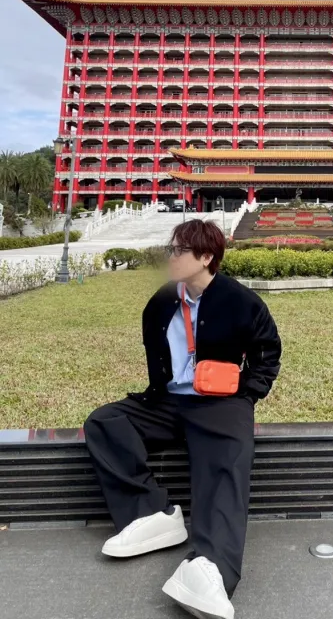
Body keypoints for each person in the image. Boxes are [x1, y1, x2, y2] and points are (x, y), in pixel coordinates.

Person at [84, 218, 282, 619]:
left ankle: (212, 566)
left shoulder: (241, 301)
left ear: (206, 257)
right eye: (170, 249)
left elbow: (268, 354)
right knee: (105, 422)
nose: (170, 257)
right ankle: (151, 513)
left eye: (178, 250)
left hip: (220, 404)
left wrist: (245, 395)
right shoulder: (161, 301)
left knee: (227, 462)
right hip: (168, 402)